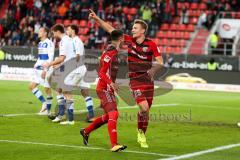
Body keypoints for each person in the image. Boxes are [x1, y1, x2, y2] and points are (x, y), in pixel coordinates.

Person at [89, 9, 164, 148]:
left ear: (142, 31)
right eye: (133, 28)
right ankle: (140, 134)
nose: (132, 30)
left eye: (135, 28)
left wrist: (153, 70)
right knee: (143, 106)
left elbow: (160, 62)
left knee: (145, 111)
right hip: (135, 80)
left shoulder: (151, 44)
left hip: (148, 81)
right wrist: (97, 18)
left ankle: (141, 133)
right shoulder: (129, 41)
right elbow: (111, 30)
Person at [80, 29, 127, 152]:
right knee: (114, 114)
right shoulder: (109, 53)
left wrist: (113, 84)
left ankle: (86, 131)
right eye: (124, 39)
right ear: (121, 39)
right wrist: (111, 83)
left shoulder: (114, 52)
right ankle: (114, 144)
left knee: (108, 116)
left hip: (108, 89)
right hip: (103, 88)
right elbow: (101, 72)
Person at [46, 24, 76, 125]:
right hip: (67, 68)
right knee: (58, 90)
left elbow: (62, 58)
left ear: (57, 31)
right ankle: (60, 115)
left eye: (54, 33)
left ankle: (70, 120)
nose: (53, 35)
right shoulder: (70, 39)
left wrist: (50, 64)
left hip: (68, 69)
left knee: (67, 93)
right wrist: (59, 65)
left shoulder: (63, 41)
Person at [65, 24, 95, 122]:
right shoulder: (74, 41)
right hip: (81, 69)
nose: (67, 30)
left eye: (68, 29)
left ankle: (70, 118)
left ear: (73, 30)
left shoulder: (76, 41)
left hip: (77, 70)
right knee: (85, 92)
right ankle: (91, 115)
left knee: (66, 91)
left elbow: (77, 56)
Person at [29, 27, 54, 115]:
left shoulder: (49, 43)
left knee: (47, 89)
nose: (38, 33)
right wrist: (36, 64)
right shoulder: (40, 43)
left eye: (40, 31)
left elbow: (50, 57)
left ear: (45, 33)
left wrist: (45, 69)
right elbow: (40, 57)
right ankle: (44, 103)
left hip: (45, 70)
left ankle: (48, 109)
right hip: (38, 68)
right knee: (31, 86)